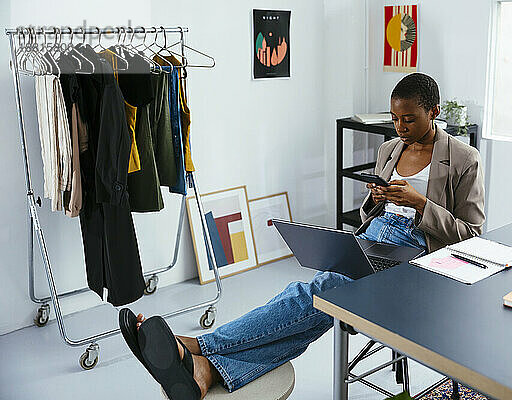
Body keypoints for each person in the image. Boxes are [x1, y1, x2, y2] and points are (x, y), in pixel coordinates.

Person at [119, 73, 485, 400]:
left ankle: (200, 348)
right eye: (394, 118)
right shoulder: (389, 149)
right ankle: (207, 370)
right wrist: (375, 201)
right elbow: (369, 215)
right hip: (373, 239)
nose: (399, 127)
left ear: (434, 111)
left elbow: (472, 234)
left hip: (415, 255)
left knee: (314, 293)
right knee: (317, 307)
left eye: (409, 119)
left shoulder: (464, 157)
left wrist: (421, 204)